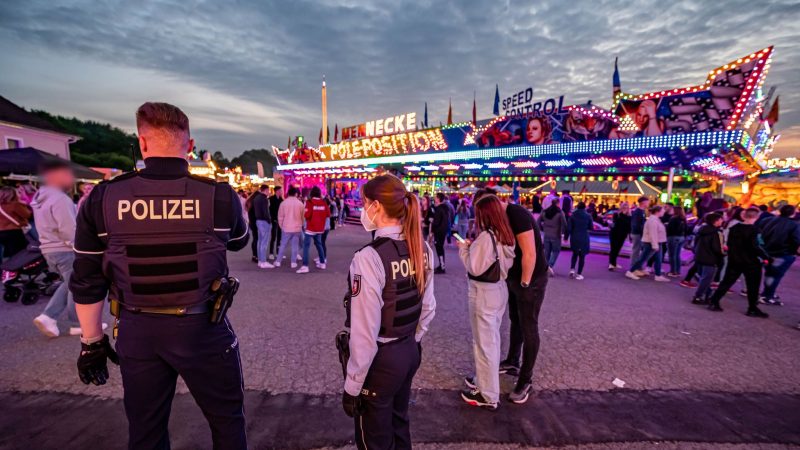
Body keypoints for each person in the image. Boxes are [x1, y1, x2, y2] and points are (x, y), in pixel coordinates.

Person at [69, 102, 249, 449]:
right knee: (227, 422)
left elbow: (87, 280)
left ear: (142, 143)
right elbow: (240, 242)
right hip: (202, 328)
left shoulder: (104, 198)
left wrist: (91, 342)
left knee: (146, 432)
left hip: (139, 331)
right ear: (190, 146)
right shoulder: (219, 196)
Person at [342, 174, 436, 449]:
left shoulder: (369, 257)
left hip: (382, 360)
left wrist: (352, 386)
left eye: (365, 203)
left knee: (375, 439)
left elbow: (364, 331)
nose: (363, 210)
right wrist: (410, 340)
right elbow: (428, 308)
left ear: (377, 207)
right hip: (408, 351)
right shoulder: (421, 247)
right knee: (399, 426)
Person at [477, 188, 548, 405]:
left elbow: (530, 253)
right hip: (514, 277)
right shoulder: (501, 217)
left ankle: (525, 380)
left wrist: (525, 283)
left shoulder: (517, 214)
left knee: (529, 326)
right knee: (515, 319)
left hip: (531, 278)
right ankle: (512, 361)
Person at [458, 195, 515, 410]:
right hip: (499, 289)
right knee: (491, 342)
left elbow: (473, 267)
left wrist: (464, 248)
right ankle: (484, 385)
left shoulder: (486, 237)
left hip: (483, 292)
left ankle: (488, 395)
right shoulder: (505, 234)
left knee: (484, 344)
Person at [31, 160, 83, 338]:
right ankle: (75, 323)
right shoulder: (60, 199)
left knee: (68, 284)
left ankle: (49, 317)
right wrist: (80, 248)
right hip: (65, 248)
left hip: (49, 248)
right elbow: (69, 229)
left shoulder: (39, 197)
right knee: (75, 284)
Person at [706, 207, 770, 316]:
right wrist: (766, 257)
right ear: (756, 217)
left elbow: (730, 244)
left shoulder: (734, 228)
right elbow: (757, 246)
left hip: (735, 259)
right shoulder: (755, 230)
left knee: (726, 282)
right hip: (751, 261)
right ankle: (752, 308)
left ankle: (714, 300)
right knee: (753, 286)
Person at [759, 205, 800, 305]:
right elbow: (796, 239)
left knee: (770, 274)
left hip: (767, 251)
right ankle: (767, 295)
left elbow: (760, 232)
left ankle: (768, 292)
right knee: (775, 275)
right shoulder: (794, 225)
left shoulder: (768, 220)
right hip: (784, 253)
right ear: (792, 213)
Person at [626, 205, 669, 282]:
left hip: (656, 242)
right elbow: (653, 233)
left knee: (658, 259)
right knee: (643, 259)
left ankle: (658, 275)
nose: (664, 212)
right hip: (651, 243)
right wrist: (655, 245)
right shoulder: (653, 220)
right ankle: (630, 271)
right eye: (662, 210)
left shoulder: (656, 219)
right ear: (657, 212)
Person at [690, 212, 725, 304]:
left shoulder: (702, 230)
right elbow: (717, 248)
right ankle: (698, 296)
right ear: (716, 221)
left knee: (705, 278)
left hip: (700, 256)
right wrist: (723, 253)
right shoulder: (716, 233)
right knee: (706, 278)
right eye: (721, 219)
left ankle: (708, 295)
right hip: (711, 258)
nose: (722, 221)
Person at [297, 186, 329, 273]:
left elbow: (307, 215)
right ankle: (322, 263)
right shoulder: (323, 202)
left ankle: (305, 266)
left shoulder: (310, 202)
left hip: (310, 228)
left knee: (306, 246)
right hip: (320, 228)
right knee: (319, 245)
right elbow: (328, 214)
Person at [274, 186, 305, 268]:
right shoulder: (300, 204)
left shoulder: (283, 203)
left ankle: (278, 261)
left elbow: (280, 216)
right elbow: (303, 217)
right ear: (296, 194)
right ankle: (293, 262)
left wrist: (281, 226)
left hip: (286, 227)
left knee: (283, 245)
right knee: (295, 246)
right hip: (297, 228)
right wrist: (301, 225)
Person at [0, 186, 32, 261]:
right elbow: (27, 215)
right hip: (13, 232)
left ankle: (4, 270)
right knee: (16, 254)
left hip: (1, 232)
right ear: (13, 194)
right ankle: (14, 270)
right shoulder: (15, 204)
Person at [537, 197, 566, 276]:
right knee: (556, 251)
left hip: (546, 234)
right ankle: (549, 266)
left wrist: (542, 228)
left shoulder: (545, 211)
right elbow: (564, 223)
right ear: (558, 203)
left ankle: (544, 268)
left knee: (547, 252)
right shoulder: (560, 212)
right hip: (556, 235)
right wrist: (563, 233)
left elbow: (538, 221)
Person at [565, 202, 592, 280]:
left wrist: (566, 237)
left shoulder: (573, 216)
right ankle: (579, 274)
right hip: (584, 237)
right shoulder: (588, 216)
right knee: (582, 256)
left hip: (575, 237)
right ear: (585, 207)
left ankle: (572, 270)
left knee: (574, 254)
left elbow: (569, 228)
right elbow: (591, 227)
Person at [253, 184, 274, 269]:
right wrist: (269, 221)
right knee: (264, 242)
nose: (269, 192)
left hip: (258, 220)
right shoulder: (264, 199)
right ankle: (263, 261)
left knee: (260, 241)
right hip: (264, 221)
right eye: (268, 190)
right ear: (265, 190)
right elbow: (266, 212)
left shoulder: (256, 198)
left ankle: (260, 261)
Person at [628, 196, 649, 272]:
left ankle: (636, 266)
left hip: (638, 233)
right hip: (637, 234)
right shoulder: (638, 212)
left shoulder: (642, 211)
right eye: (647, 202)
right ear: (643, 203)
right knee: (636, 250)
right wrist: (642, 232)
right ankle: (633, 267)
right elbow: (636, 224)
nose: (648, 203)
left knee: (637, 250)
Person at [608, 201, 631, 271]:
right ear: (621, 207)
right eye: (624, 207)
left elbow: (629, 226)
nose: (625, 208)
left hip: (623, 234)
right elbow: (617, 222)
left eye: (626, 207)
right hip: (615, 234)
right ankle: (611, 264)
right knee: (613, 248)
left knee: (618, 249)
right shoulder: (617, 215)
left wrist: (629, 235)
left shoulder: (629, 216)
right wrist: (622, 214)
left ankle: (614, 263)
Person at [666, 206, 687, 277]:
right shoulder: (683, 218)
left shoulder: (673, 218)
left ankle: (673, 271)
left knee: (672, 255)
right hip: (681, 237)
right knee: (677, 255)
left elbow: (670, 229)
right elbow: (686, 229)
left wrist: (666, 225)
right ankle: (678, 271)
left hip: (673, 237)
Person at [431, 193, 450, 274]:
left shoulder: (438, 209)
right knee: (440, 248)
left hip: (438, 231)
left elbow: (436, 222)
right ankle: (441, 265)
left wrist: (432, 222)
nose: (434, 198)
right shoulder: (446, 208)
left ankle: (442, 267)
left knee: (439, 248)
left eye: (435, 197)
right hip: (443, 231)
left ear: (438, 199)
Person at [268, 186, 283, 261]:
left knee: (279, 237)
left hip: (280, 221)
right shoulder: (271, 199)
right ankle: (271, 253)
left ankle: (278, 252)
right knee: (273, 237)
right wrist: (272, 218)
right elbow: (269, 210)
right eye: (281, 190)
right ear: (277, 191)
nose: (282, 192)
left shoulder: (281, 199)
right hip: (274, 220)